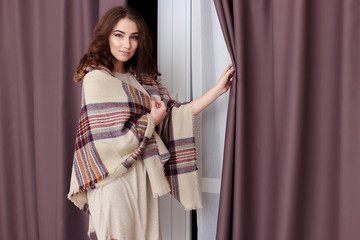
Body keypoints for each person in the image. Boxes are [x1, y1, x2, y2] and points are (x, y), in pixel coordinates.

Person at [67, 6, 234, 240]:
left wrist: (217, 91)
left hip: (142, 175)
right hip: (112, 179)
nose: (127, 44)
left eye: (133, 37)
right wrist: (150, 120)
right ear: (106, 37)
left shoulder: (142, 80)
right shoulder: (96, 79)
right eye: (119, 35)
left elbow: (175, 115)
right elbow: (107, 142)